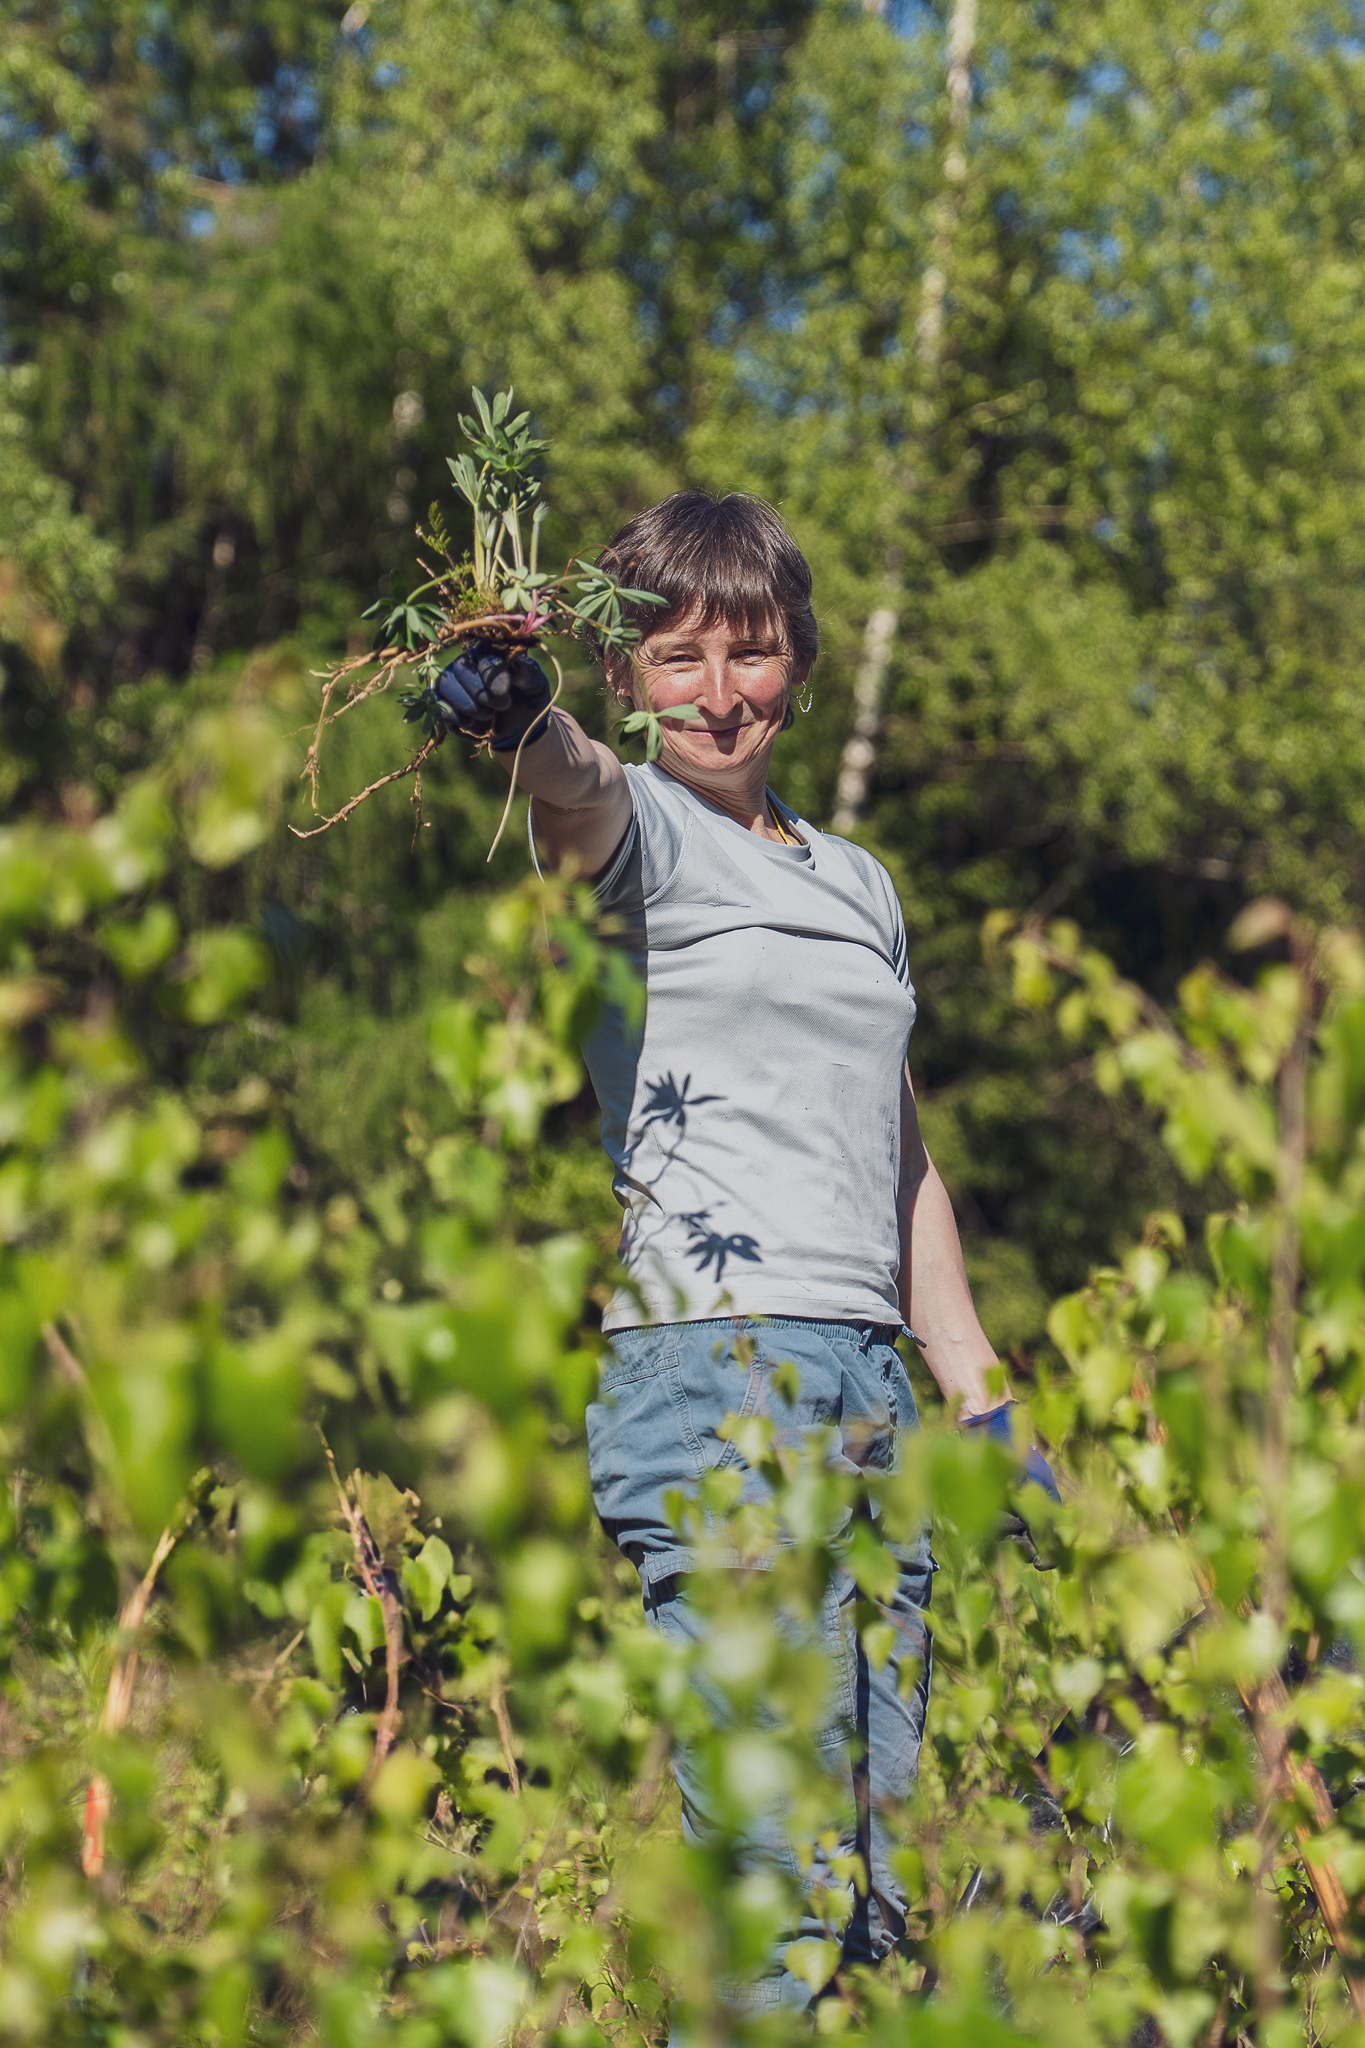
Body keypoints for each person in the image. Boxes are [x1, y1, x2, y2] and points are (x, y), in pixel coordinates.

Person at [433, 491, 1058, 2022]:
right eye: (678, 659)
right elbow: (573, 789)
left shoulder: (860, 885)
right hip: (712, 1370)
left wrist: (976, 1386)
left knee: (878, 1880)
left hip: (869, 1391)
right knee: (777, 1878)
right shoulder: (635, 834)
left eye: (752, 654)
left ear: (798, 662)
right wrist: (525, 718)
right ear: (632, 678)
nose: (720, 694)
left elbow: (894, 1146)